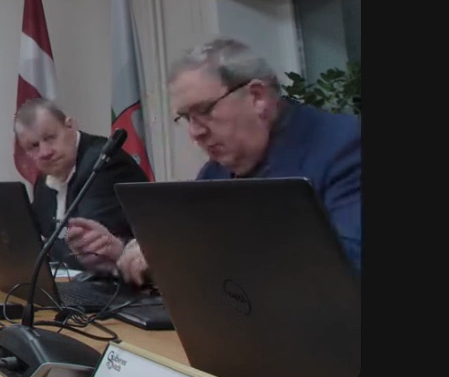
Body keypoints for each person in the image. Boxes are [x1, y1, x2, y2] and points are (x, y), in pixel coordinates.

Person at [67, 37, 362, 283]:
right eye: (187, 118)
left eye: (205, 111)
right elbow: (188, 252)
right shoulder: (214, 173)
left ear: (257, 97)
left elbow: (350, 268)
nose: (195, 132)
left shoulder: (347, 148)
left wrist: (181, 256)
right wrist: (122, 254)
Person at [13, 98, 149, 275]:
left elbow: (85, 248)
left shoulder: (103, 163)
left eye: (50, 138)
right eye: (34, 146)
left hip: (130, 283)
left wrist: (47, 245)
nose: (45, 152)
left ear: (70, 125)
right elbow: (39, 233)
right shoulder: (46, 178)